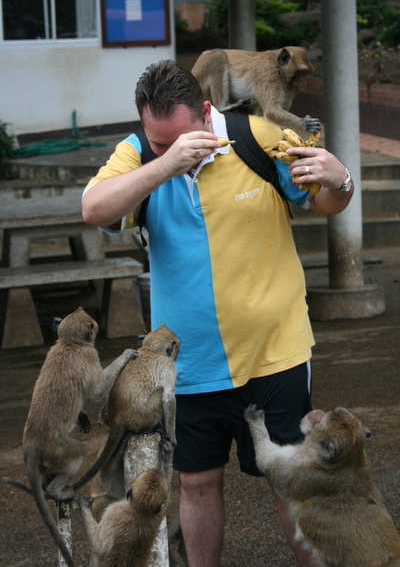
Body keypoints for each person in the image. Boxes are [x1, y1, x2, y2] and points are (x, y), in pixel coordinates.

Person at [82, 59, 354, 567]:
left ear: (206, 112)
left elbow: (325, 201)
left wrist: (341, 181)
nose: (166, 149)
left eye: (179, 139)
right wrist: (166, 162)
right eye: (156, 140)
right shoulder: (140, 153)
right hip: (190, 364)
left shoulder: (258, 136)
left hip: (275, 353)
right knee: (197, 482)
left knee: (292, 481)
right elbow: (94, 210)